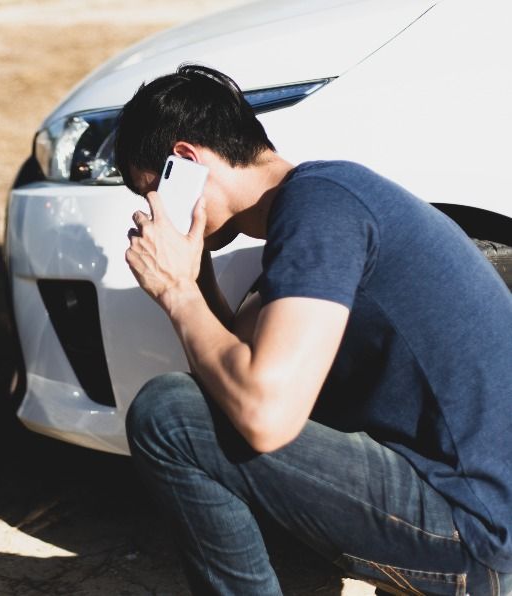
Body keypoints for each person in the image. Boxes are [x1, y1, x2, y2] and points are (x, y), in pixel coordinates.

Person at [115, 64, 512, 595]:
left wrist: (175, 292)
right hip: (478, 519)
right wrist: (193, 275)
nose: (152, 213)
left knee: (167, 413)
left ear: (183, 163)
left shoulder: (322, 205)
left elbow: (263, 416)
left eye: (151, 194)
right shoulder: (319, 207)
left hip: (476, 531)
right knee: (201, 410)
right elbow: (229, 385)